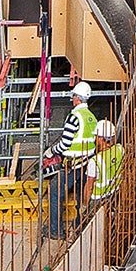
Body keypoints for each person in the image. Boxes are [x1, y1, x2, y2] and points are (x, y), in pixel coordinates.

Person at [43, 81, 96, 238]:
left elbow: (65, 144)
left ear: (78, 98)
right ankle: (80, 227)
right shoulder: (91, 117)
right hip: (86, 162)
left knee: (54, 192)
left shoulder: (74, 117)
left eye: (74, 96)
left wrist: (51, 152)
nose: (72, 99)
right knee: (80, 195)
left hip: (72, 164)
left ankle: (56, 231)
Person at [83, 119, 123, 203]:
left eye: (96, 136)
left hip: (98, 200)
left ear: (101, 138)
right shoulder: (120, 150)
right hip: (115, 193)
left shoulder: (95, 161)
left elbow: (89, 186)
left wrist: (85, 205)